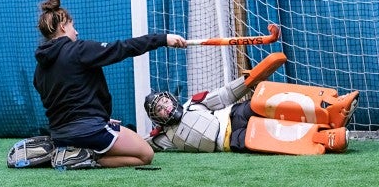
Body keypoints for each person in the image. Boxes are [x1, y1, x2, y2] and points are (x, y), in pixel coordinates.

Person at [33, 0, 187, 168]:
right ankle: (88, 157)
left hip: (59, 135)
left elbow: (63, 102)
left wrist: (99, 116)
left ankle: (72, 153)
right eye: (72, 25)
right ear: (62, 26)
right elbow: (123, 48)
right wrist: (163, 39)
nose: (76, 32)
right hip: (89, 131)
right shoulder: (79, 49)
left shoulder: (39, 69)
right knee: (146, 154)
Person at [144, 53, 360, 155]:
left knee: (265, 101)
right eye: (160, 109)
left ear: (170, 98)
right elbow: (138, 142)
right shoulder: (164, 138)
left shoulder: (193, 103)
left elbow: (225, 94)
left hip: (232, 114)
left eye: (164, 101)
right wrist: (109, 127)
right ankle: (324, 137)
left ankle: (332, 109)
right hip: (228, 141)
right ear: (157, 118)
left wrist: (250, 80)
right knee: (267, 135)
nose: (166, 108)